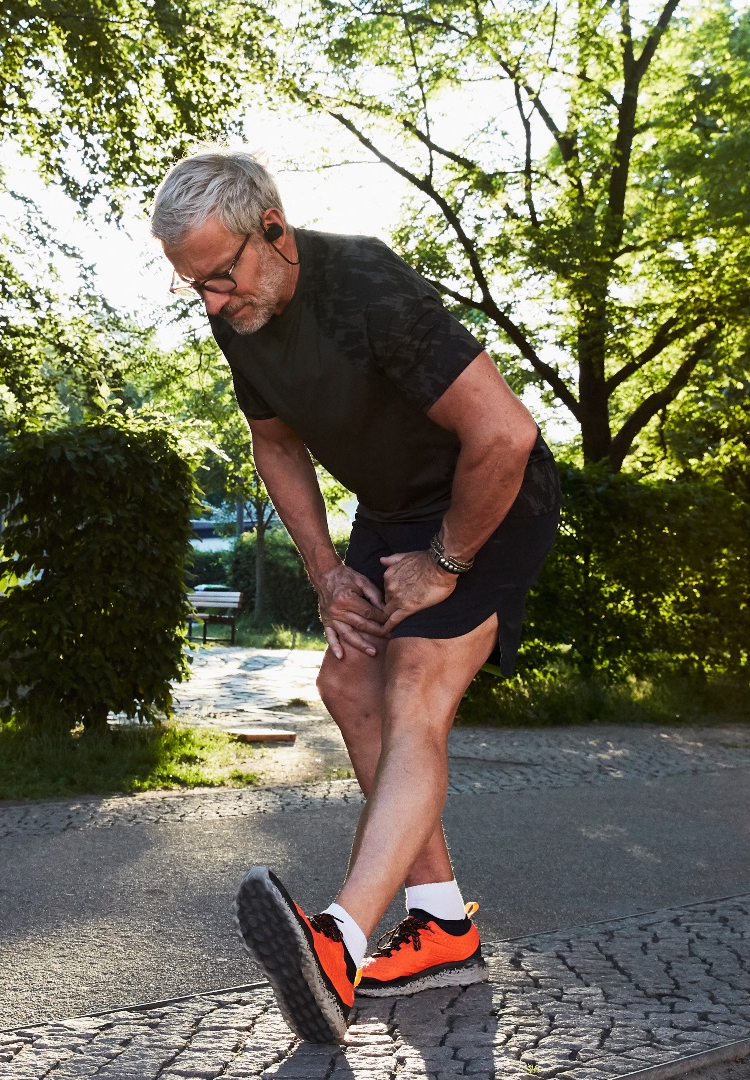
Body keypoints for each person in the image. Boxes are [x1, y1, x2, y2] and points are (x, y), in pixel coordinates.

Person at [151, 149, 560, 1042]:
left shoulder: (366, 283)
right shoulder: (241, 314)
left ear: (275, 230)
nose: (215, 305)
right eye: (196, 288)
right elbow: (278, 446)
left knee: (414, 690)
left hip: (484, 501)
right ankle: (442, 920)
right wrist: (327, 572)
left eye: (221, 277)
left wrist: (446, 562)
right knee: (347, 684)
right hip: (393, 515)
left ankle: (337, 942)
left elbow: (507, 433)